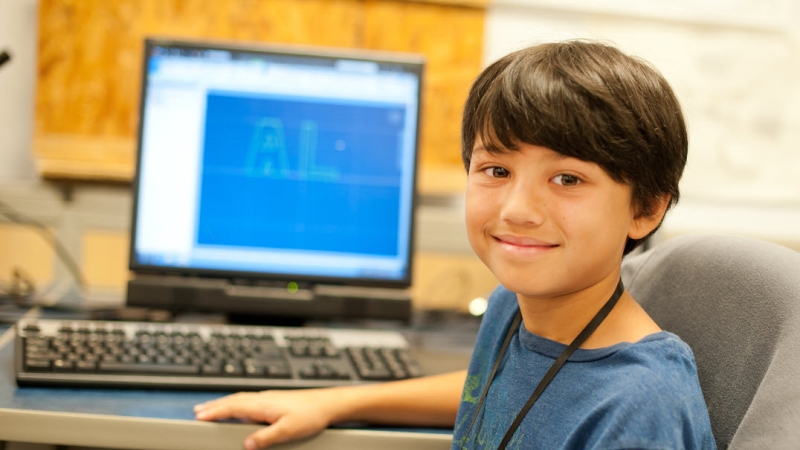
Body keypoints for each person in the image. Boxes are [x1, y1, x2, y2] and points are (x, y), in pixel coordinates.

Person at [194, 40, 717, 450]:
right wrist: (334, 400)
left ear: (645, 209)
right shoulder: (514, 306)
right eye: (496, 170)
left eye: (568, 179)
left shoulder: (640, 408)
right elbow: (489, 389)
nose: (516, 209)